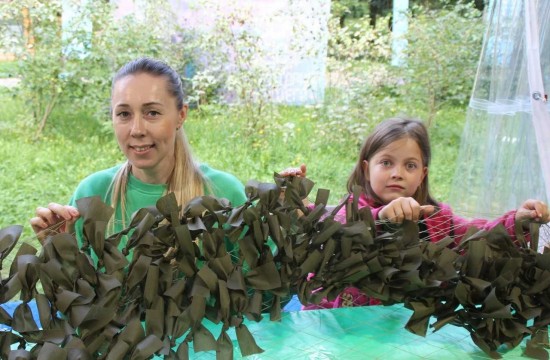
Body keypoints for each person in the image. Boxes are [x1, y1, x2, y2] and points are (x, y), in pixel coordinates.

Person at [282, 117, 549, 309]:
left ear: (422, 175)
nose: (397, 172)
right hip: (336, 327)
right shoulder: (348, 212)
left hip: (403, 334)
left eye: (410, 165)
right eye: (386, 162)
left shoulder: (437, 219)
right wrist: (293, 198)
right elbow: (323, 229)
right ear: (366, 169)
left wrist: (516, 222)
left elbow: (478, 235)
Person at [30, 57, 247, 261]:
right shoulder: (93, 194)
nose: (137, 130)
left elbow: (261, 290)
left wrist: (282, 226)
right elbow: (76, 292)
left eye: (152, 113)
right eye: (124, 114)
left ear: (181, 115)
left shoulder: (224, 194)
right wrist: (57, 251)